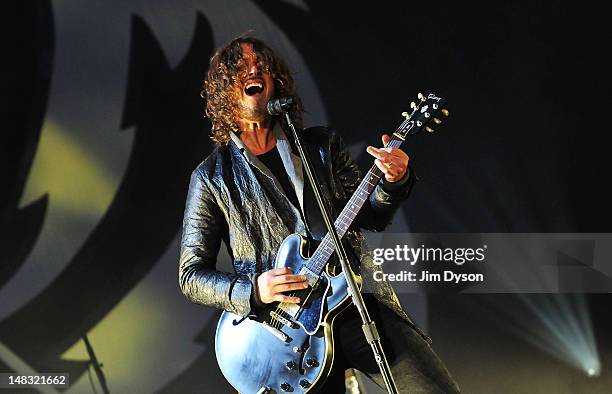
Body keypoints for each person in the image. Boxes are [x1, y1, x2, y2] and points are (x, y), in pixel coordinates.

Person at [179, 35, 460, 393]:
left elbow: (369, 217)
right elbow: (190, 275)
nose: (254, 70)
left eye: (262, 66)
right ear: (224, 90)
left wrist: (394, 180)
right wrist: (254, 289)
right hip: (285, 333)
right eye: (240, 68)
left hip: (357, 303)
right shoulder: (212, 176)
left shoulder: (320, 147)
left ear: (274, 81)